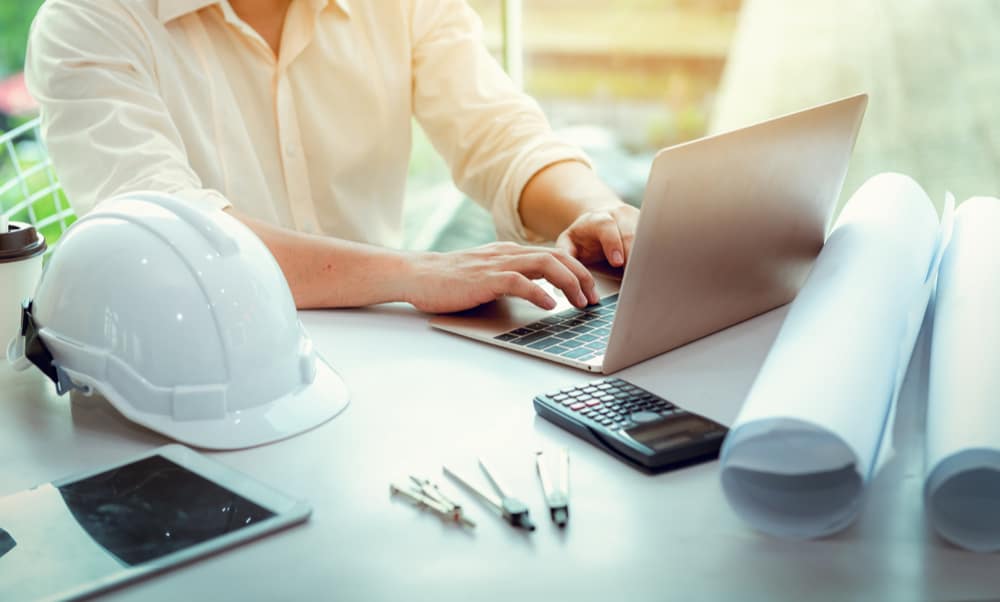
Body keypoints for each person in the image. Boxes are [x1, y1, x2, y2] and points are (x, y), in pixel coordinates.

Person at [25, 0, 639, 313]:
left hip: (388, 349)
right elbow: (178, 237)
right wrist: (413, 274)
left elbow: (499, 133)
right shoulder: (86, 21)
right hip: (195, 386)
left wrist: (600, 212)